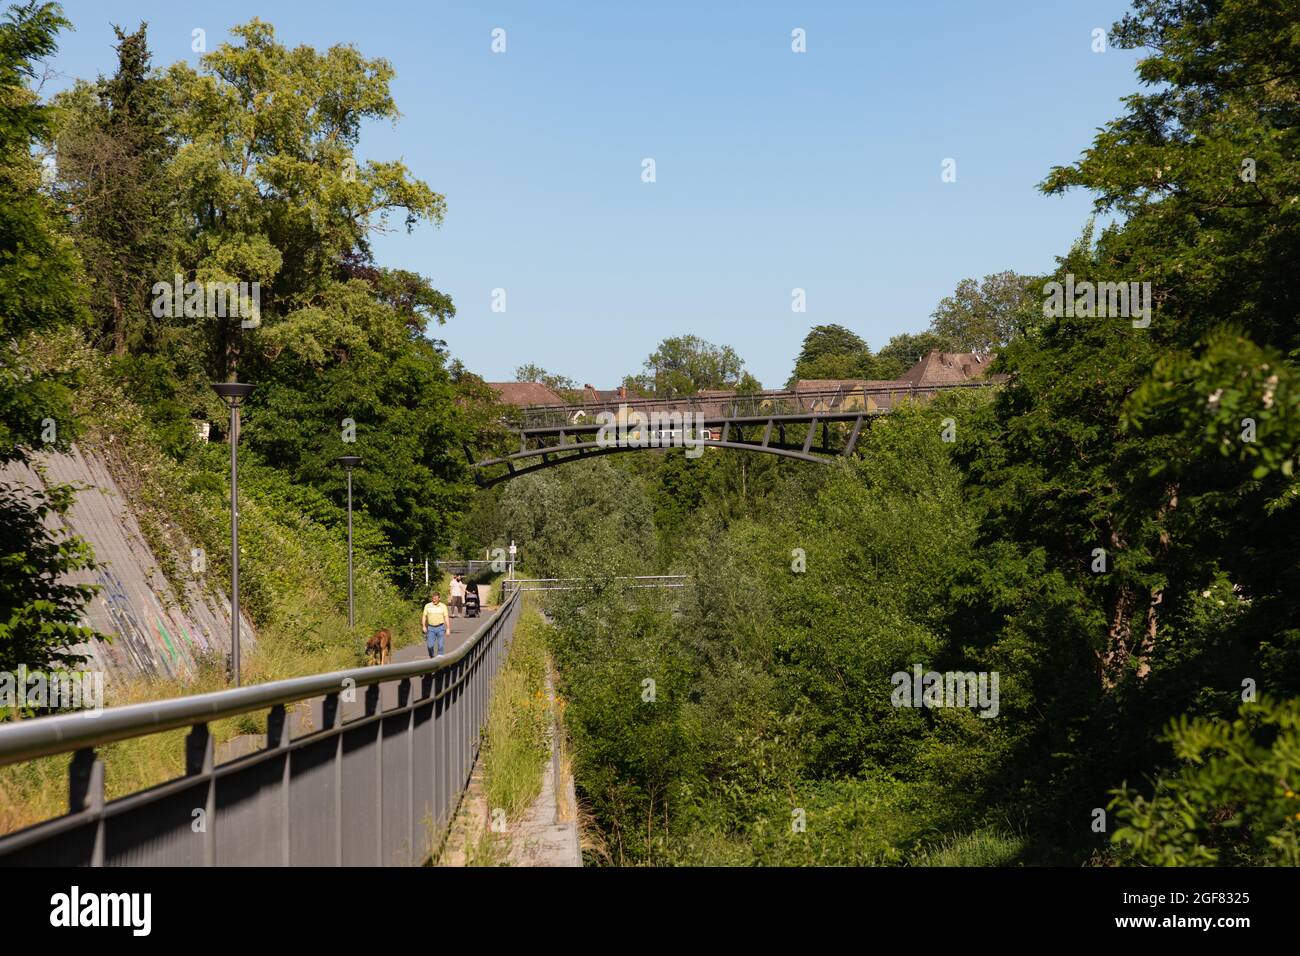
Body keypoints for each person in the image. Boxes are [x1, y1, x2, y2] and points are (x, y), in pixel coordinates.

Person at [421, 590, 450, 658]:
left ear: (439, 599)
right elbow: (424, 616)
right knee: (430, 646)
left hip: (440, 628)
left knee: (440, 645)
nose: (434, 600)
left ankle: (440, 662)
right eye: (433, 599)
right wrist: (424, 626)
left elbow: (446, 617)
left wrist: (448, 628)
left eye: (436, 599)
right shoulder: (428, 606)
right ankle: (432, 656)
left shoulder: (443, 606)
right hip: (431, 628)